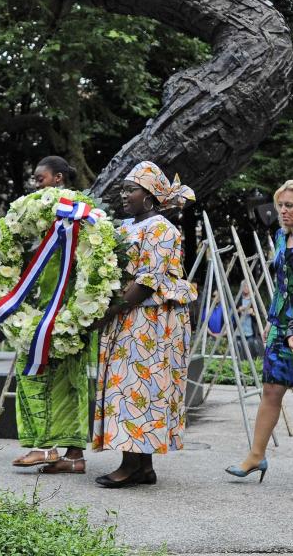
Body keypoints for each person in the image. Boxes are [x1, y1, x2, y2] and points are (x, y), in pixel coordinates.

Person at [92, 161, 197, 488]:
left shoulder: (161, 228)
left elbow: (149, 280)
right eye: (123, 189)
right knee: (130, 386)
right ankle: (142, 466)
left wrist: (111, 311)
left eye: (131, 189)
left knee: (136, 387)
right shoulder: (124, 227)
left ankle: (131, 465)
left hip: (151, 320)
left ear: (150, 196)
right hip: (131, 315)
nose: (124, 195)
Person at [12, 155, 89, 473]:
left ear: (58, 178)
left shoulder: (77, 213)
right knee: (64, 379)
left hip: (71, 311)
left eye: (39, 178)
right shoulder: (41, 215)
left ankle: (47, 448)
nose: (35, 183)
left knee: (65, 380)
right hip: (47, 309)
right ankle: (72, 458)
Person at [226, 179, 293, 482]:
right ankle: (256, 455)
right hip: (281, 325)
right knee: (270, 390)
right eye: (281, 204)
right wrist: (271, 318)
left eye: (290, 206)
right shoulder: (281, 236)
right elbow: (282, 284)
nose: (283, 210)